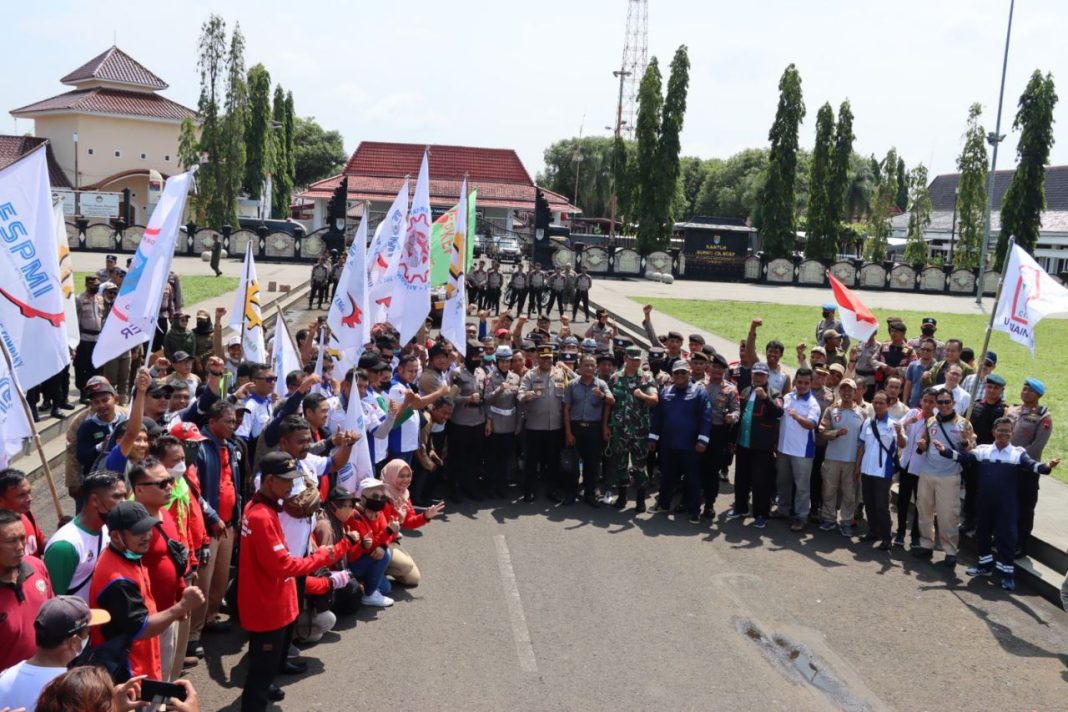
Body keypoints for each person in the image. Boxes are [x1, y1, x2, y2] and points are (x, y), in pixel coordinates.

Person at [238, 451, 354, 711]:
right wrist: (325, 556)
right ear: (269, 480)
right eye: (287, 480)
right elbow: (283, 565)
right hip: (267, 603)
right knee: (259, 673)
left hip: (269, 597)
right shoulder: (261, 516)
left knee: (265, 667)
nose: (293, 486)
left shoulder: (262, 508)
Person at [935, 417, 1060, 591]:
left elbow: (1034, 467)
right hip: (985, 502)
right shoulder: (983, 450)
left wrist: (1047, 466)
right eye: (1000, 430)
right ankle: (984, 567)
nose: (1004, 434)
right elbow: (964, 458)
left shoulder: (1018, 453)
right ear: (994, 432)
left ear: (1012, 433)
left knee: (1006, 537)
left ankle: (1007, 574)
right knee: (983, 534)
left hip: (1007, 505)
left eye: (1008, 431)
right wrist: (944, 451)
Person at [89, 497, 204, 682]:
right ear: (116, 536)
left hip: (143, 663)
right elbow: (141, 628)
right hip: (130, 675)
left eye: (148, 528)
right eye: (137, 532)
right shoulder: (117, 580)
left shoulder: (127, 554)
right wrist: (181, 607)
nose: (147, 535)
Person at [130, 459, 190, 682]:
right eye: (161, 483)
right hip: (146, 622)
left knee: (165, 676)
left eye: (169, 481)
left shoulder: (165, 515)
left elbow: (174, 561)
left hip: (169, 612)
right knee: (149, 681)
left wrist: (180, 596)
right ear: (139, 489)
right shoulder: (131, 529)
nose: (169, 487)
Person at [0, 595, 110, 709]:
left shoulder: (4, 677)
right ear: (73, 642)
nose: (88, 638)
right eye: (87, 633)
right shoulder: (72, 692)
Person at [912, 388, 975, 570]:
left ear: (954, 403)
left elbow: (970, 451)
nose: (944, 405)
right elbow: (924, 443)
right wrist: (922, 445)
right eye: (940, 403)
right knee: (924, 511)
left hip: (949, 476)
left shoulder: (964, 424)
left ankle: (950, 551)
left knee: (948, 515)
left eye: (947, 402)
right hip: (927, 473)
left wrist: (964, 442)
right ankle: (926, 544)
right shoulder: (931, 421)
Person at [43, 473, 127, 603]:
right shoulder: (64, 546)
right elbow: (54, 603)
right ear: (95, 500)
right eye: (117, 497)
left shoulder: (107, 529)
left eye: (124, 496)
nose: (124, 503)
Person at [648, 360, 712, 524]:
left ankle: (694, 511)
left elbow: (706, 419)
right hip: (668, 444)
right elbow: (657, 417)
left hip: (690, 446)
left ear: (689, 374)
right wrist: (653, 438)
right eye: (676, 373)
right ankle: (663, 505)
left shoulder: (699, 392)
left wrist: (703, 441)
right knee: (667, 477)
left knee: (692, 479)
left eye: (683, 372)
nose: (680, 376)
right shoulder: (666, 392)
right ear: (673, 375)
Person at [726, 362, 783, 527]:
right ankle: (740, 508)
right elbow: (739, 416)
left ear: (767, 377)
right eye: (755, 374)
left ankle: (761, 514)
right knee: (741, 478)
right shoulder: (745, 391)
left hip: (762, 446)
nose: (758, 378)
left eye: (761, 375)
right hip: (743, 443)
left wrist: (765, 398)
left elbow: (779, 412)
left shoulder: (774, 393)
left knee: (760, 482)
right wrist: (732, 440)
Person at [0, 507, 54, 672]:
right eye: (11, 541)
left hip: (53, 673)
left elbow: (53, 613)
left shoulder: (36, 566)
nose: (20, 546)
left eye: (23, 538)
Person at [606, 345, 658, 512]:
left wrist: (642, 395)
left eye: (638, 360)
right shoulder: (615, 378)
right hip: (619, 430)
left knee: (639, 466)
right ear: (625, 359)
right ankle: (621, 498)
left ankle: (640, 501)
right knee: (620, 464)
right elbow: (609, 404)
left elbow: (655, 400)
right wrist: (605, 426)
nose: (635, 363)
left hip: (639, 432)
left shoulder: (646, 378)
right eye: (632, 359)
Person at [380, 459, 445, 588]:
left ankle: (383, 568)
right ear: (391, 475)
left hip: (391, 541)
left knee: (413, 579)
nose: (406, 479)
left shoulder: (403, 494)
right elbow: (383, 528)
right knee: (406, 566)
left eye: (408, 475)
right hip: (380, 543)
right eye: (401, 476)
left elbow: (409, 522)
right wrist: (398, 517)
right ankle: (376, 570)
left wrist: (425, 516)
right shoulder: (381, 496)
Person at [1008, 377, 1053, 557]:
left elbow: (1037, 446)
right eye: (1024, 389)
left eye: (1030, 390)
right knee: (1008, 505)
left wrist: (1016, 457)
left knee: (1025, 507)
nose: (1025, 392)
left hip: (1027, 469)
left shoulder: (1043, 416)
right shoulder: (1013, 410)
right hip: (1007, 467)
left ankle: (1021, 544)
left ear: (1038, 395)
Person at [856, 391, 906, 551]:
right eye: (875, 402)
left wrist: (899, 433)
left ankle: (886, 537)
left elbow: (902, 444)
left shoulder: (894, 424)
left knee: (881, 506)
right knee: (869, 503)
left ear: (888, 405)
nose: (877, 406)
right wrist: (857, 467)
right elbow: (862, 446)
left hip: (883, 472)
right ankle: (873, 532)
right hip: (867, 469)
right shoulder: (868, 423)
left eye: (881, 403)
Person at [774, 368, 823, 532]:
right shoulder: (787, 398)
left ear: (810, 384)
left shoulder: (813, 404)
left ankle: (801, 517)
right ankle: (783, 510)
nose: (802, 386)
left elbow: (812, 425)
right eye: (799, 382)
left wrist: (797, 416)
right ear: (795, 381)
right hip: (783, 449)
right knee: (783, 482)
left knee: (802, 487)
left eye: (806, 383)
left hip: (803, 453)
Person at [563, 355, 614, 507]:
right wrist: (568, 432)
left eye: (592, 365)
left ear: (596, 367)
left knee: (592, 465)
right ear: (580, 367)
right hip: (576, 427)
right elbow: (566, 409)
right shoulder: (572, 384)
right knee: (572, 465)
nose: (590, 368)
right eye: (587, 365)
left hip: (594, 429)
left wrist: (603, 396)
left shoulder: (601, 384)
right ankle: (570, 493)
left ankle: (590, 494)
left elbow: (611, 401)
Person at [519, 345, 567, 502]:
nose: (548, 360)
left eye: (550, 358)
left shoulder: (560, 373)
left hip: (555, 426)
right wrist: (526, 395)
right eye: (544, 358)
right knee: (532, 461)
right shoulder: (530, 375)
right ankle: (529, 490)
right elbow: (520, 394)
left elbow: (569, 391)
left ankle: (552, 490)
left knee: (553, 461)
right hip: (535, 426)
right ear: (538, 358)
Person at [817, 379, 865, 535]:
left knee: (849, 494)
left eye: (850, 390)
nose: (846, 393)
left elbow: (864, 441)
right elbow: (823, 432)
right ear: (839, 392)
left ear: (855, 392)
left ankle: (846, 521)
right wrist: (836, 433)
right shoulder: (831, 410)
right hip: (832, 458)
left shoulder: (862, 413)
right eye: (843, 390)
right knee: (829, 491)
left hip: (851, 461)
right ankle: (829, 519)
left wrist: (859, 463)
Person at [962, 373, 1007, 535]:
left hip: (991, 459)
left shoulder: (1003, 411)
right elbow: (964, 424)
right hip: (973, 455)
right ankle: (968, 520)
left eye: (996, 388)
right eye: (989, 387)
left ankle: (984, 524)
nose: (992, 390)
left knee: (987, 494)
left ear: (1001, 391)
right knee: (971, 490)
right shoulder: (975, 406)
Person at [896, 388, 937, 548]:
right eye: (925, 400)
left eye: (931, 402)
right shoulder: (913, 413)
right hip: (906, 465)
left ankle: (915, 535)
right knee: (903, 501)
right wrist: (906, 424)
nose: (927, 405)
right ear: (921, 401)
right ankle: (900, 532)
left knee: (920, 504)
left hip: (922, 470)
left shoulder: (936, 423)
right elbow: (899, 426)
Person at [700, 352, 739, 519]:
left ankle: (709, 504)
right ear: (709, 368)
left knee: (712, 470)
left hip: (718, 433)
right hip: (699, 430)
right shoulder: (700, 385)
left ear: (724, 370)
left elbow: (737, 410)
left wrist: (732, 417)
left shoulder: (730, 389)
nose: (716, 370)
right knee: (695, 467)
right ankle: (691, 500)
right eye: (714, 366)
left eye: (720, 368)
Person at [448, 343, 488, 500]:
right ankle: (455, 489)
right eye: (475, 356)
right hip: (460, 421)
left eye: (480, 357)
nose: (478, 359)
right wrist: (467, 398)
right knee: (458, 457)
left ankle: (471, 487)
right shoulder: (457, 373)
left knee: (475, 457)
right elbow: (450, 398)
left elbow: (484, 395)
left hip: (478, 420)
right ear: (468, 356)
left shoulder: (481, 372)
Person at [484, 346, 521, 498]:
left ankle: (502, 486)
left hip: (510, 423)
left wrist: (518, 424)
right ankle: (491, 487)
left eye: (507, 361)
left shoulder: (515, 378)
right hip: (495, 422)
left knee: (506, 458)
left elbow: (518, 404)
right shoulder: (490, 377)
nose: (505, 364)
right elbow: (486, 399)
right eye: (502, 361)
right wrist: (498, 390)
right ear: (497, 361)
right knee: (492, 457)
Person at [0, 469, 46, 558]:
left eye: (29, 492)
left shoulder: (27, 514)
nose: (29, 498)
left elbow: (40, 542)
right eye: (21, 495)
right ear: (1, 500)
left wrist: (60, 543)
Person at [74, 275, 105, 397]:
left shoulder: (100, 299)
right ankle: (83, 391)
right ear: (87, 285)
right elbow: (75, 319)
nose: (96, 288)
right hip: (84, 338)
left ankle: (93, 391)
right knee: (82, 366)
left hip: (97, 338)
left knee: (95, 366)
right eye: (93, 286)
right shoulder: (79, 299)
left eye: (97, 285)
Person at [904, 337, 937, 408]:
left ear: (934, 352)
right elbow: (908, 385)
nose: (925, 351)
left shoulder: (937, 367)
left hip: (930, 406)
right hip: (913, 405)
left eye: (928, 350)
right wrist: (905, 402)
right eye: (923, 349)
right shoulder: (912, 365)